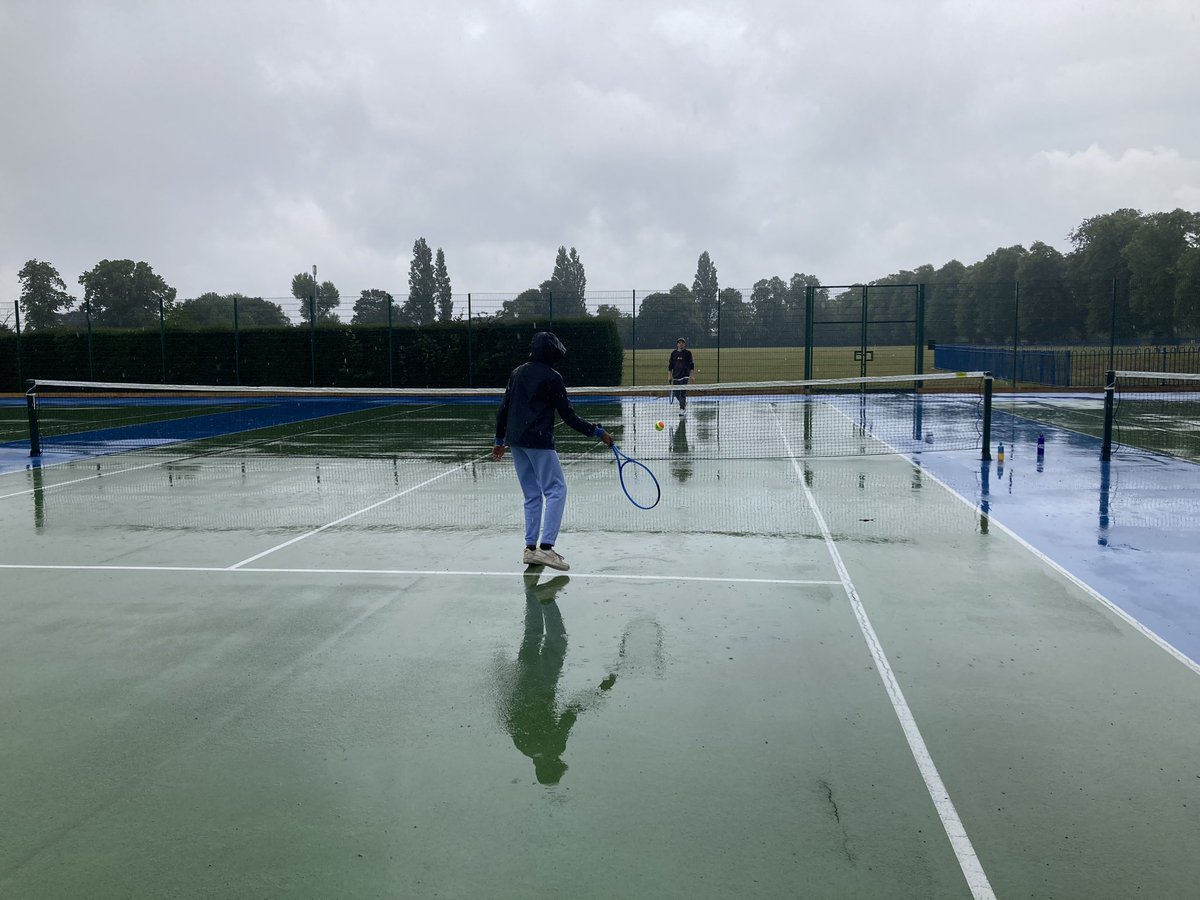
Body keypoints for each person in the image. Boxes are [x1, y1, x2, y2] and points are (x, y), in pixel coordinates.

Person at [493, 332, 613, 571]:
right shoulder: (553, 377)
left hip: (516, 442)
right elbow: (568, 417)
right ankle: (546, 549)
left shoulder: (517, 373)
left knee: (532, 494)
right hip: (539, 442)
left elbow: (503, 409)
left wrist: (500, 440)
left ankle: (530, 548)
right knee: (557, 490)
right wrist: (598, 432)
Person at [667, 337, 695, 412]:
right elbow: (670, 366)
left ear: (684, 344)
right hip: (675, 377)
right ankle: (683, 403)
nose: (681, 344)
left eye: (682, 343)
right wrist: (669, 376)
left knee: (682, 393)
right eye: (679, 343)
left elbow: (692, 365)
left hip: (684, 377)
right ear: (677, 344)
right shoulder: (673, 353)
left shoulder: (688, 353)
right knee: (676, 393)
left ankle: (682, 409)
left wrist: (692, 376)